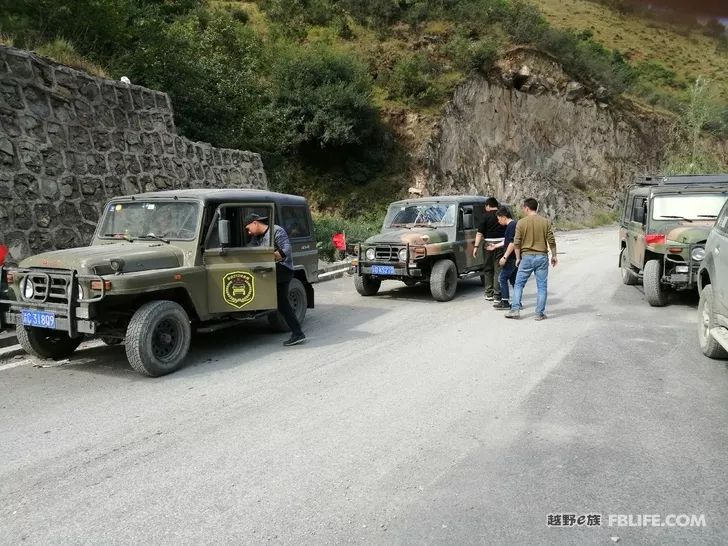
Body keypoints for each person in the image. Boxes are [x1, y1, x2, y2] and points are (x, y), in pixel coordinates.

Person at [244, 213, 306, 346]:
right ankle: (297, 333)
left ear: (255, 223)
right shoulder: (257, 238)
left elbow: (287, 249)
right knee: (282, 303)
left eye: (248, 228)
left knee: (281, 301)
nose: (248, 232)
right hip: (272, 270)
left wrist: (270, 257)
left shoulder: (276, 230)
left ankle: (298, 333)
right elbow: (250, 248)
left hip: (283, 269)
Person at [505, 198, 557, 321]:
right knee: (542, 286)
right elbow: (551, 240)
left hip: (526, 257)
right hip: (541, 257)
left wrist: (518, 258)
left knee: (518, 284)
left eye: (523, 208)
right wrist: (554, 255)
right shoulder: (545, 222)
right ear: (537, 208)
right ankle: (539, 314)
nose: (523, 210)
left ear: (527, 208)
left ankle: (515, 310)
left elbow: (516, 243)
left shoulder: (521, 223)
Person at [473, 197, 505, 301]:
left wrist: (476, 247)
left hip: (488, 243)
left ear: (488, 206)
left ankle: (489, 293)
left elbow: (479, 234)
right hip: (501, 243)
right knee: (498, 269)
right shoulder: (502, 215)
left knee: (488, 269)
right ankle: (497, 295)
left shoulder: (485, 216)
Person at [488, 206, 519, 310]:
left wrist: (505, 257)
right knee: (514, 281)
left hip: (511, 257)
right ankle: (518, 302)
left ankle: (505, 302)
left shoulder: (512, 226)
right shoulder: (512, 225)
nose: (498, 221)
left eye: (498, 219)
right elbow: (506, 241)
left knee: (502, 278)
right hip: (513, 257)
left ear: (503, 217)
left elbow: (512, 242)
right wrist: (495, 246)